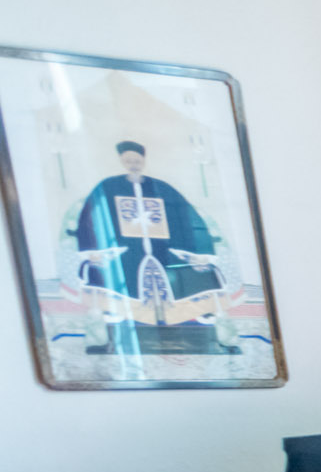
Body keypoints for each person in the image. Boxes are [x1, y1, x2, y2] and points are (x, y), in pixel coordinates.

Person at [66, 140, 228, 360]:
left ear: (144, 160)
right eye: (129, 160)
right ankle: (115, 331)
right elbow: (91, 217)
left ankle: (194, 329)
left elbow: (186, 216)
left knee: (197, 273)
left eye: (137, 160)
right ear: (122, 161)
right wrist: (94, 249)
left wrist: (198, 251)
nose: (133, 164)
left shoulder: (161, 187)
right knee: (111, 277)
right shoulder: (108, 186)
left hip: (164, 249)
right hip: (125, 250)